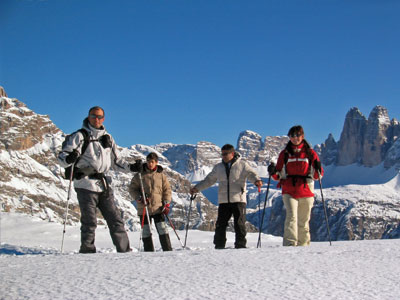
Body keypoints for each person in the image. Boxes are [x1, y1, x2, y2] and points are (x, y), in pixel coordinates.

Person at [58, 106, 140, 253]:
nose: (97, 119)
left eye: (100, 117)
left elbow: (117, 161)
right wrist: (69, 158)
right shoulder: (79, 136)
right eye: (94, 116)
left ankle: (125, 251)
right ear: (88, 117)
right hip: (85, 184)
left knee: (115, 219)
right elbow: (62, 158)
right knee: (89, 221)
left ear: (104, 118)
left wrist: (132, 167)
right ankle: (88, 252)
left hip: (103, 185)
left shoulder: (107, 138)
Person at [190, 144, 262, 249]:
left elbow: (251, 174)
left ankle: (240, 246)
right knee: (220, 225)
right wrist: (197, 188)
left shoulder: (242, 165)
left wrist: (256, 180)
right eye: (222, 154)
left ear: (232, 154)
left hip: (239, 199)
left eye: (225, 154)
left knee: (240, 224)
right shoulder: (218, 167)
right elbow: (209, 180)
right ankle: (219, 246)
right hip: (224, 201)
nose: (223, 156)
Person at [268, 125, 324, 246]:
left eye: (297, 135)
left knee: (304, 220)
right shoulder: (285, 154)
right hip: (289, 190)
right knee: (291, 216)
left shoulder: (310, 153)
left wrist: (318, 169)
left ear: (302, 136)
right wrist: (273, 172)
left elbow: (318, 176)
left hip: (306, 190)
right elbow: (278, 174)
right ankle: (289, 244)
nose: (295, 138)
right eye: (292, 136)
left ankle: (303, 244)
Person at [129, 152, 173, 251]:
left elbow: (167, 190)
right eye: (148, 161)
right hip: (144, 208)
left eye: (152, 162)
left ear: (156, 162)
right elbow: (132, 189)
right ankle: (149, 253)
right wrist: (139, 197)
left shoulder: (161, 176)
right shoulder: (139, 175)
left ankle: (168, 251)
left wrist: (166, 202)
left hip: (158, 208)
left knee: (163, 230)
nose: (150, 164)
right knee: (146, 232)